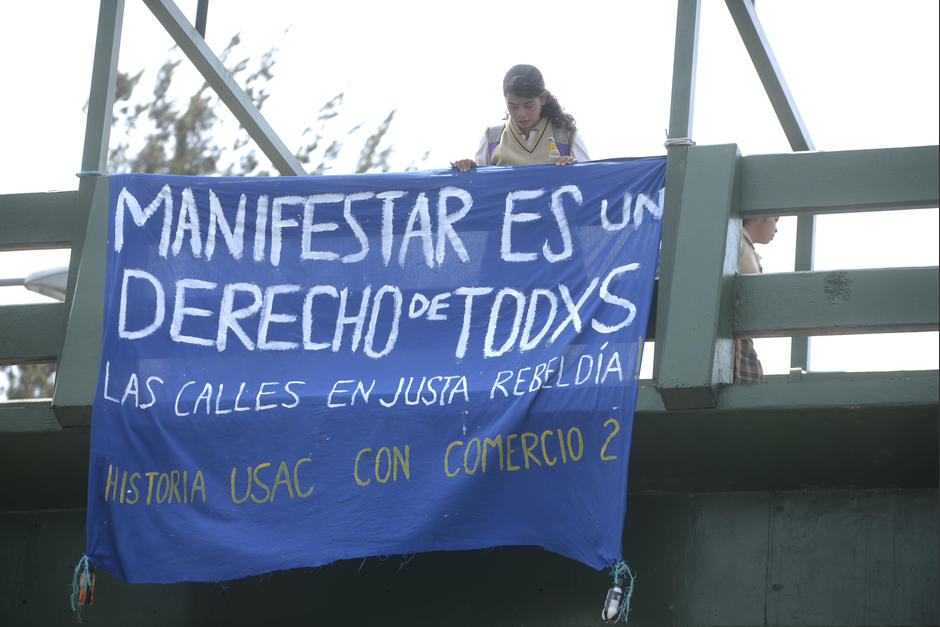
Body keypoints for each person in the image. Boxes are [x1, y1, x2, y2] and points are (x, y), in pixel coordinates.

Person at [451, 64, 589, 171]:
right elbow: (479, 187)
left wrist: (575, 169)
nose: (521, 113)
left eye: (528, 105)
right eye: (513, 106)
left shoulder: (566, 135)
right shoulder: (492, 138)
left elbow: (590, 182)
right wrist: (466, 169)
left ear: (543, 98)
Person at [734, 216, 779, 383]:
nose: (776, 229)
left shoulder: (743, 244)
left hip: (740, 339)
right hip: (733, 341)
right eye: (776, 219)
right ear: (760, 217)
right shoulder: (736, 240)